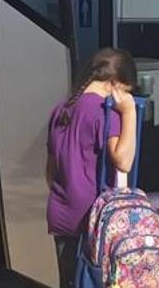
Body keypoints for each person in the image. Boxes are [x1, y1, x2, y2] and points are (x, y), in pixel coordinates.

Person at [45, 48, 138, 288]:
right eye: (126, 91)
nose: (126, 97)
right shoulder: (104, 112)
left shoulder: (60, 110)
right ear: (115, 84)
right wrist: (129, 112)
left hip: (61, 214)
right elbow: (123, 160)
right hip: (94, 221)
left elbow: (50, 171)